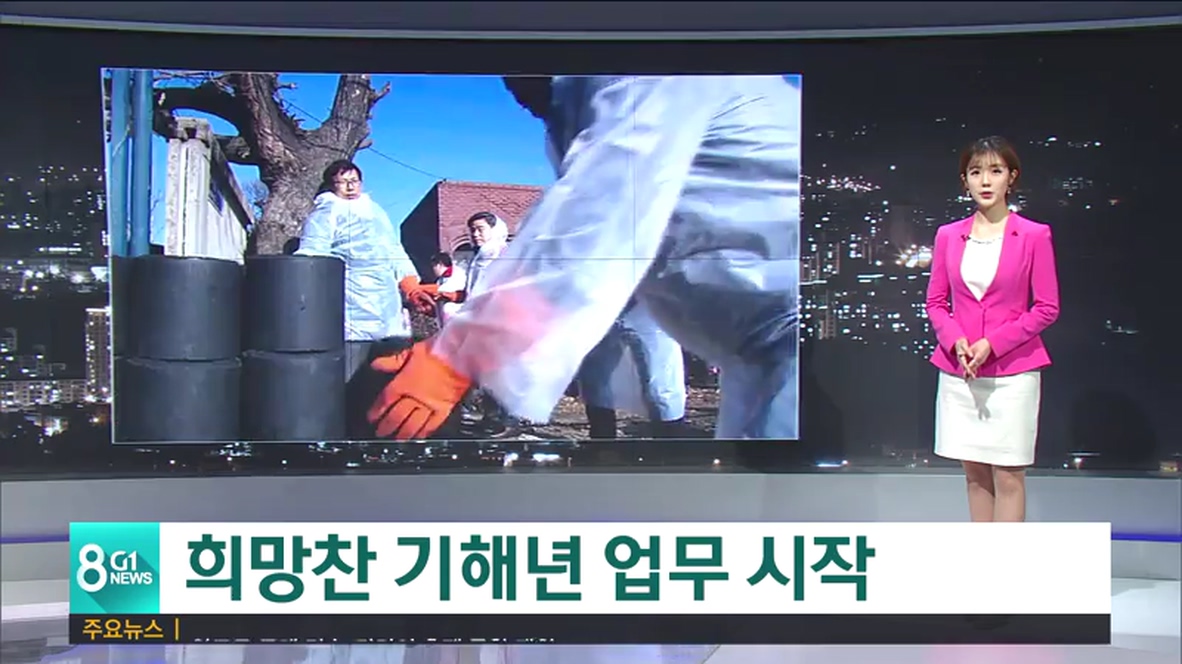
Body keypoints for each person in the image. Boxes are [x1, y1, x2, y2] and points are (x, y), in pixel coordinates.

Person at [371, 75, 800, 443]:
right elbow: (562, 215)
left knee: (776, 493)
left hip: (795, 341)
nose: (514, 91)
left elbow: (590, 223)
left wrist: (458, 356)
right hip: (757, 355)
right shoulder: (580, 114)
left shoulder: (651, 81)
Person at [924, 136, 1060, 523]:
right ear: (964, 180)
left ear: (1011, 178)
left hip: (1013, 374)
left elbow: (1047, 308)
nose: (985, 181)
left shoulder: (1034, 235)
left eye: (995, 171)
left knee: (1009, 475)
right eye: (976, 172)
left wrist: (993, 343)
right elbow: (936, 303)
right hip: (961, 372)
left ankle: (1005, 562)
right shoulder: (948, 235)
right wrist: (956, 341)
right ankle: (983, 560)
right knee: (975, 476)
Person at [295, 159, 417, 381]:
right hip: (352, 302)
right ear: (332, 185)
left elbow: (393, 248)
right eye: (343, 182)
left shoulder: (375, 211)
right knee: (354, 374)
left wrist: (410, 281)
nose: (350, 187)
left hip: (386, 304)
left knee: (387, 374)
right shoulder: (327, 212)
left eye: (354, 181)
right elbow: (313, 253)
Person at [577, 296, 688, 439]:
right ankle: (602, 444)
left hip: (648, 307)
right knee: (595, 382)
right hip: (600, 305)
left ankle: (671, 445)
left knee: (661, 387)